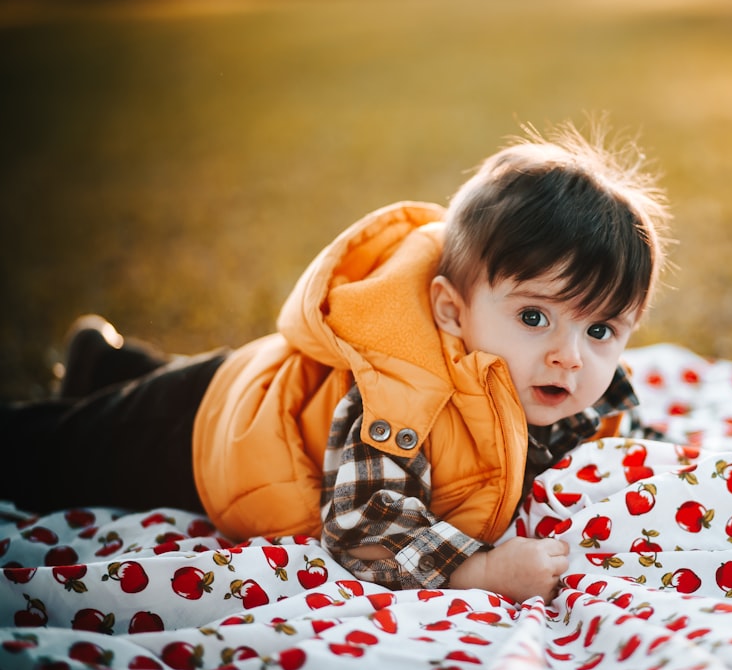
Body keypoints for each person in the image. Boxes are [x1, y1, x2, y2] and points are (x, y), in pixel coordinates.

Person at [1, 121, 671, 604]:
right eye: (534, 317)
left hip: (266, 390)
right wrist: (481, 571)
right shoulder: (400, 395)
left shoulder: (575, 382)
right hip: (208, 434)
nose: (569, 354)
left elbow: (627, 446)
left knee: (142, 391)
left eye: (603, 328)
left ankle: (109, 364)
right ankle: (99, 386)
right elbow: (364, 528)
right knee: (58, 452)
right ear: (450, 311)